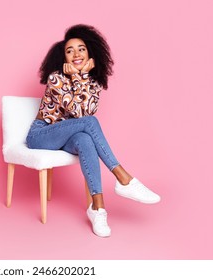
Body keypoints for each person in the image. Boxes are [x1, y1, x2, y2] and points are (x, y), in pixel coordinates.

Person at [26, 24, 160, 238]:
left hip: (67, 136)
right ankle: (124, 179)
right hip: (42, 135)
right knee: (89, 123)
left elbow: (86, 110)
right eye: (69, 51)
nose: (76, 54)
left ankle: (97, 208)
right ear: (63, 57)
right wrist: (78, 77)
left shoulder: (93, 81)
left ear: (90, 53)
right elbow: (81, 114)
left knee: (86, 140)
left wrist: (83, 78)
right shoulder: (56, 78)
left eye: (81, 49)